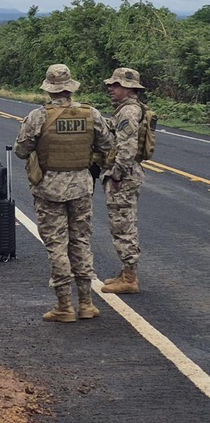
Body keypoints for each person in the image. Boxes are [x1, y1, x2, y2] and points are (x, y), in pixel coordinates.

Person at [13, 64, 113, 322]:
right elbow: (107, 144)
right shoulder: (91, 114)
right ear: (71, 87)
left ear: (49, 89)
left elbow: (21, 150)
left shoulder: (38, 117)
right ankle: (87, 303)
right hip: (81, 185)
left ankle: (64, 306)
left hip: (49, 189)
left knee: (57, 245)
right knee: (80, 241)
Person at [100, 67, 149, 295]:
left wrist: (116, 173)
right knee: (122, 222)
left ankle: (130, 278)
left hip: (124, 175)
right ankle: (126, 271)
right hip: (127, 172)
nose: (110, 88)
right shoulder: (127, 109)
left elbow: (127, 148)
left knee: (123, 224)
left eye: (116, 85)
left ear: (129, 88)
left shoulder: (128, 112)